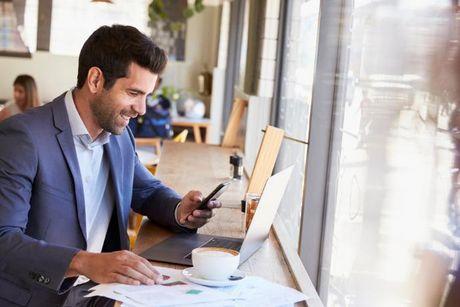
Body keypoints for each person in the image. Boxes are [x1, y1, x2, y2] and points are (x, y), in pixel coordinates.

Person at [0, 25, 221, 307]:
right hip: (40, 298)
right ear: (95, 80)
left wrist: (180, 210)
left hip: (101, 295)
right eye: (133, 93)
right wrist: (84, 263)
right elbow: (4, 239)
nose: (141, 109)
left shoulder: (118, 134)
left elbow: (146, 190)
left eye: (147, 96)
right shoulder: (23, 137)